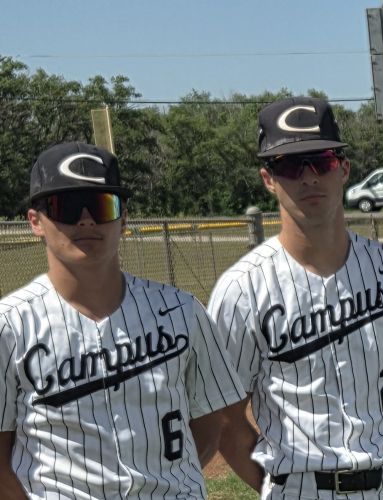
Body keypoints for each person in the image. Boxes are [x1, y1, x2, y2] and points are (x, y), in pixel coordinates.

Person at [207, 96, 383, 498]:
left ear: (344, 169)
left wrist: (379, 452)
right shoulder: (242, 290)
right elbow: (226, 421)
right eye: (289, 165)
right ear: (268, 178)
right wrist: (282, 487)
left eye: (321, 161)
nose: (308, 177)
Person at [0, 143, 245, 499]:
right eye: (66, 207)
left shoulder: (182, 311)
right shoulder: (10, 326)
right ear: (35, 221)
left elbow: (212, 424)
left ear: (124, 218)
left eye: (102, 205)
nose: (86, 220)